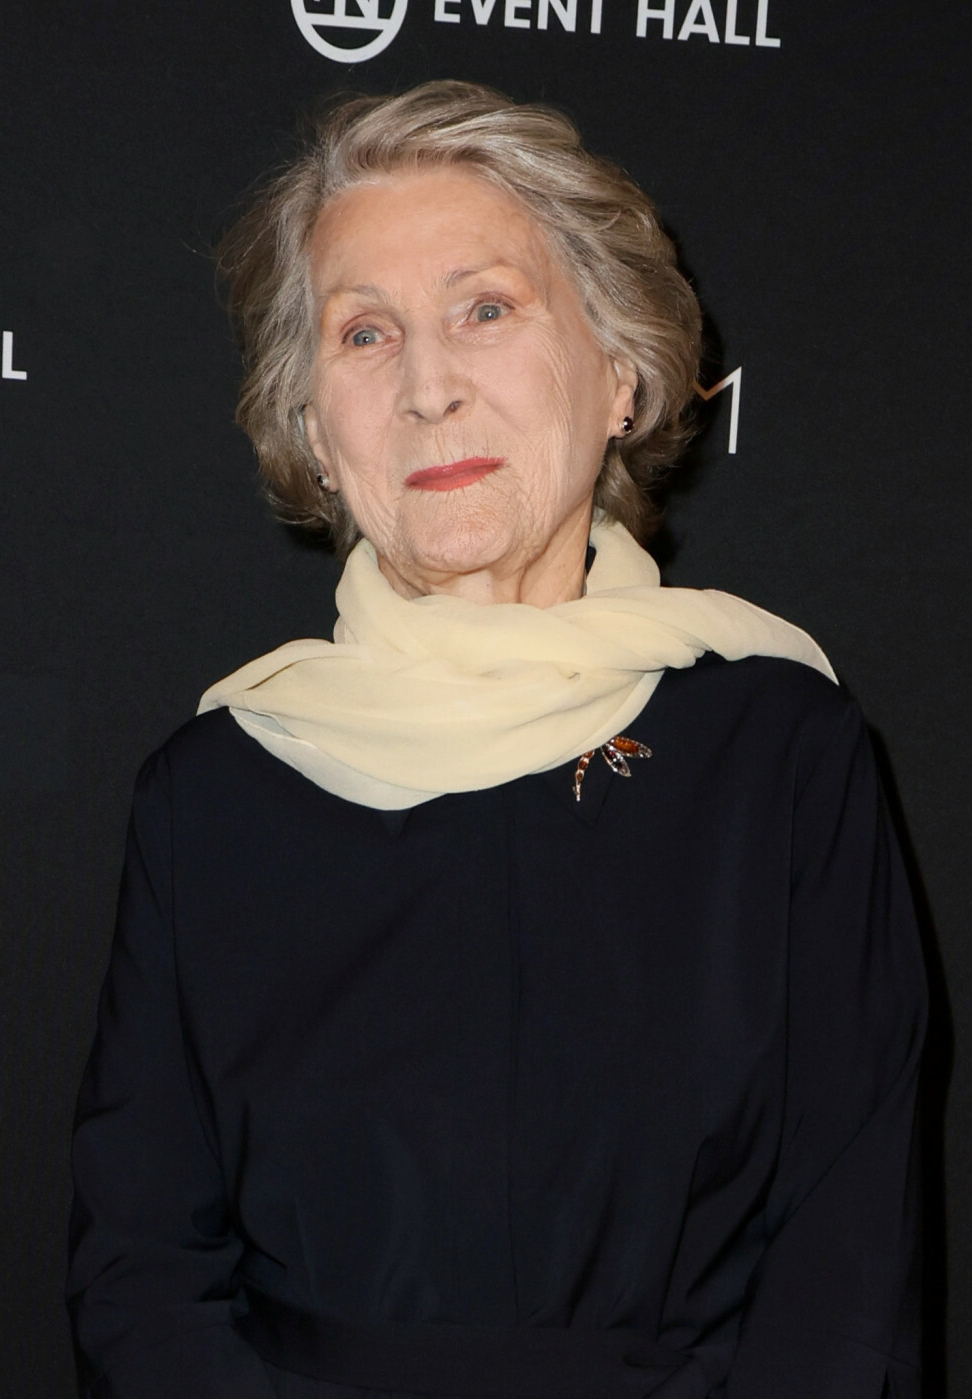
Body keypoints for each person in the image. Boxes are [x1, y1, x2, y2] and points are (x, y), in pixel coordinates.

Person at [67, 80, 928, 1399]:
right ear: (313, 429)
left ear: (620, 373)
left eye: (486, 310)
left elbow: (846, 1264)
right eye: (365, 334)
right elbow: (140, 1277)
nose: (429, 389)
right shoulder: (215, 794)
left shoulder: (779, 752)